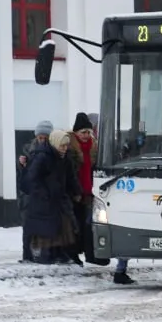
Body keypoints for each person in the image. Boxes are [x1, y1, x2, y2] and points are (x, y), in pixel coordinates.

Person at [23, 130, 79, 264]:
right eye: (62, 146)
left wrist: (77, 191)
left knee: (62, 226)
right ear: (55, 144)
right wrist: (43, 193)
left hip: (58, 197)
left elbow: (71, 177)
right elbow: (33, 177)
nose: (64, 148)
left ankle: (59, 253)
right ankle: (45, 255)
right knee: (46, 229)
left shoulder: (65, 158)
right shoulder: (43, 157)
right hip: (44, 200)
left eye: (66, 146)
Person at [69, 112, 111, 267]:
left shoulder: (94, 147)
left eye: (88, 132)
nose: (86, 135)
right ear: (76, 133)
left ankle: (91, 254)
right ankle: (73, 254)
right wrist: (75, 191)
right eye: (83, 132)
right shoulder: (71, 147)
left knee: (89, 225)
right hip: (75, 192)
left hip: (90, 192)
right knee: (75, 225)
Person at [17, 120, 52, 262]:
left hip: (43, 193)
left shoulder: (51, 152)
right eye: (40, 137)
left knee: (43, 226)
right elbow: (24, 175)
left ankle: (43, 254)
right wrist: (22, 165)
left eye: (45, 137)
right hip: (29, 194)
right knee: (28, 226)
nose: (42, 140)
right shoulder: (29, 149)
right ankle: (27, 255)